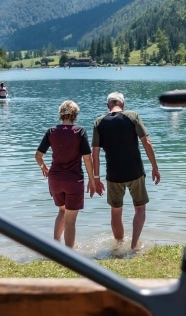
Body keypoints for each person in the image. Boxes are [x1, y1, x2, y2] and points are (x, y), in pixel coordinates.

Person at [91, 91, 160, 251]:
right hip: (135, 171)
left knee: (116, 211)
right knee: (140, 208)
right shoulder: (132, 116)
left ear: (108, 105)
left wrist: (96, 177)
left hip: (113, 174)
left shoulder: (99, 122)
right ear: (123, 103)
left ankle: (119, 245)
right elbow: (147, 142)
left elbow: (95, 152)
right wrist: (155, 167)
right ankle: (134, 245)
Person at [34, 100, 98, 248]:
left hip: (55, 180)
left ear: (60, 114)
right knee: (70, 220)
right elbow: (87, 157)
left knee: (62, 211)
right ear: (75, 115)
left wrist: (43, 167)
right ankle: (69, 255)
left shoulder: (51, 132)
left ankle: (56, 247)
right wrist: (92, 178)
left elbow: (38, 155)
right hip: (73, 180)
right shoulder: (80, 131)